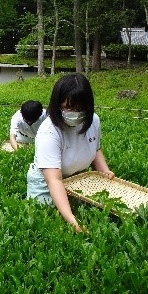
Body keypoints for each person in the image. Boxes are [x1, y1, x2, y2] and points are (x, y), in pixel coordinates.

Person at [26, 73, 114, 233]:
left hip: (79, 179)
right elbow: (54, 180)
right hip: (46, 183)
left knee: (94, 214)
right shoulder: (49, 131)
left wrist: (104, 171)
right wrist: (73, 221)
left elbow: (95, 148)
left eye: (80, 108)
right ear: (57, 104)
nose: (75, 113)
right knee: (47, 222)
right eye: (68, 107)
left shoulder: (93, 120)